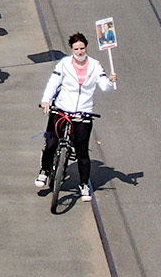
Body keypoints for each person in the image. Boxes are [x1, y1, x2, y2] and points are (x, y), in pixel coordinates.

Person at [38, 32, 115, 199]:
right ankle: (44, 170)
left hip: (83, 113)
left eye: (82, 48)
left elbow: (105, 88)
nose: (80, 52)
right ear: (71, 49)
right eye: (76, 49)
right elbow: (53, 83)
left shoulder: (95, 65)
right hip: (62, 109)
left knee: (82, 151)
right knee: (51, 143)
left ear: (86, 47)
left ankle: (84, 184)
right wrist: (46, 100)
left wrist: (111, 81)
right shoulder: (64, 64)